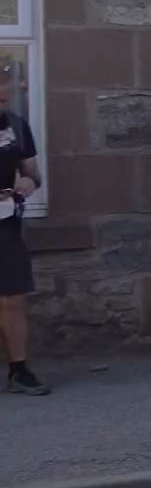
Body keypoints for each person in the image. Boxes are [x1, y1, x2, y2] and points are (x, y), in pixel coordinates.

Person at [0, 62, 47, 395]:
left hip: (6, 225)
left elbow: (32, 171)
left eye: (5, 86)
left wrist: (30, 182)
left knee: (13, 299)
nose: (5, 92)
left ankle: (19, 370)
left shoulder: (16, 126)